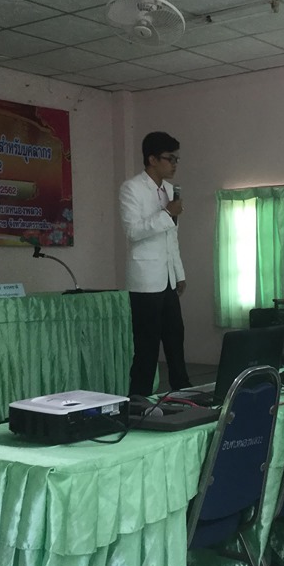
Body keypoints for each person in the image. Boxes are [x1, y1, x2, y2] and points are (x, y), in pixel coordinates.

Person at [119, 131, 192, 396]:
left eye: (176, 159)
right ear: (152, 159)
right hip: (145, 280)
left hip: (168, 278)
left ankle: (182, 391)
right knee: (147, 345)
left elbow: (171, 237)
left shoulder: (170, 191)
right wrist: (167, 213)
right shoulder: (131, 188)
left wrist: (179, 272)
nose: (174, 164)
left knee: (175, 337)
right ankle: (139, 397)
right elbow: (133, 232)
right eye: (169, 158)